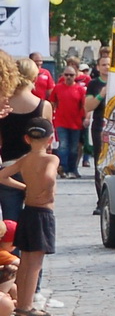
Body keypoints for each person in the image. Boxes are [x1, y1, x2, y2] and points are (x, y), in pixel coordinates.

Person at [0, 119, 56, 316]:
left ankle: (22, 303)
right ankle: (27, 306)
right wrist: (47, 191)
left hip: (27, 211)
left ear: (26, 138)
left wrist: (25, 188)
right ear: (50, 139)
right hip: (43, 213)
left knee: (25, 260)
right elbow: (49, 177)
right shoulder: (51, 160)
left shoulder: (24, 160)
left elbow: (3, 176)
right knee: (35, 262)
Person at [1, 57, 49, 222]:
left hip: (8, 166)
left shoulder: (4, 104)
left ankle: (10, 249)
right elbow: (47, 141)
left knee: (10, 223)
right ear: (34, 77)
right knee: (35, 224)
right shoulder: (43, 106)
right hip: (35, 167)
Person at [48, 65, 85, 178]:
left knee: (74, 148)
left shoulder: (80, 89)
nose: (68, 77)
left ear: (76, 76)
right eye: (66, 75)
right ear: (63, 75)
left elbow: (84, 106)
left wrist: (84, 118)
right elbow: (52, 103)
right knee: (63, 146)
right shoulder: (58, 88)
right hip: (61, 122)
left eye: (71, 75)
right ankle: (63, 168)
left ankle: (73, 169)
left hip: (76, 123)